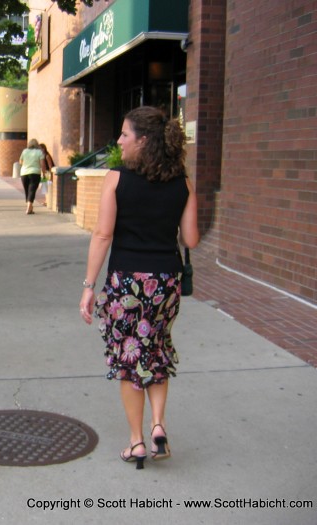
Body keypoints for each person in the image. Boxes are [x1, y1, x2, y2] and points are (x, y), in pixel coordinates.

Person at [79, 106, 199, 470]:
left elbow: (102, 234)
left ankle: (137, 442)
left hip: (126, 283)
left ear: (142, 141)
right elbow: (191, 236)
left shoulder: (117, 179)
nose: (119, 140)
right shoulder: (183, 182)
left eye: (124, 134)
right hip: (166, 283)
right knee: (156, 349)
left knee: (130, 360)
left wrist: (88, 286)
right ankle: (158, 423)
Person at [19, 138, 44, 214]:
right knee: (32, 190)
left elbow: (20, 161)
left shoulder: (24, 151)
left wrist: (27, 163)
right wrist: (44, 172)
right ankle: (29, 206)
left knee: (27, 190)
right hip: (35, 173)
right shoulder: (39, 152)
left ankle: (30, 207)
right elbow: (42, 164)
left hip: (24, 173)